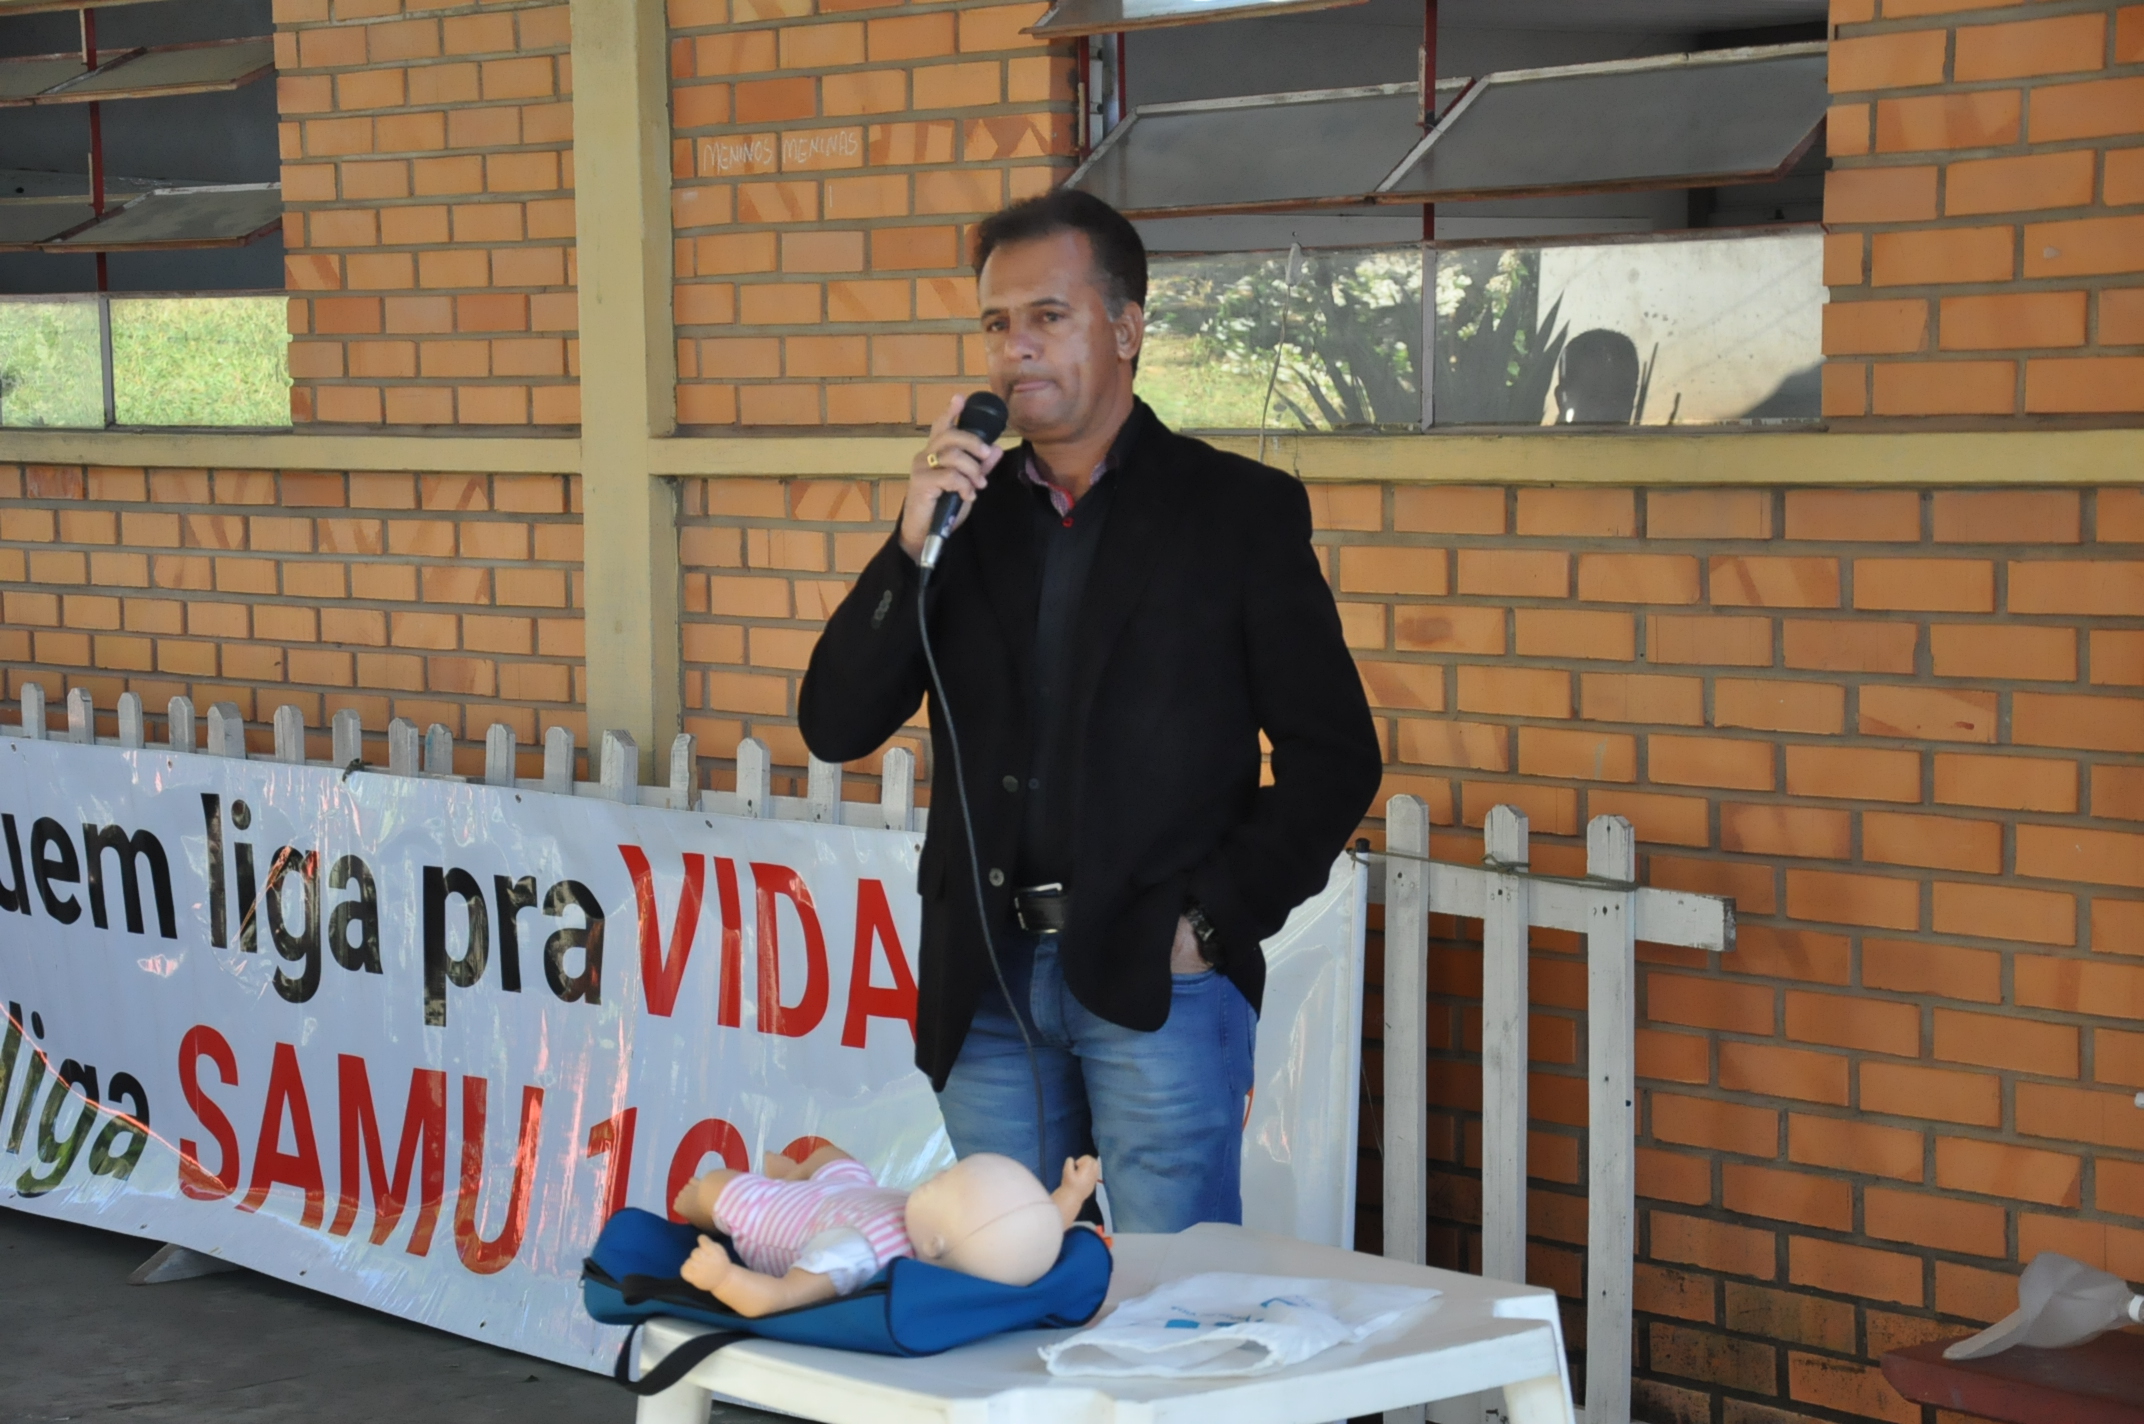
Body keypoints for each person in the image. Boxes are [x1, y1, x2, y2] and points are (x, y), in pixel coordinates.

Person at [797, 189, 1381, 1234]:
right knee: (1006, 1281)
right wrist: (906, 545)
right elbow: (833, 723)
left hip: (1154, 979)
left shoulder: (1233, 513)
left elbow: (1332, 756)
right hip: (987, 987)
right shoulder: (960, 518)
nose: (1014, 349)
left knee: (1170, 1305)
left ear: (1125, 327)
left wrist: (1206, 922)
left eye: (1046, 317)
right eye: (994, 323)